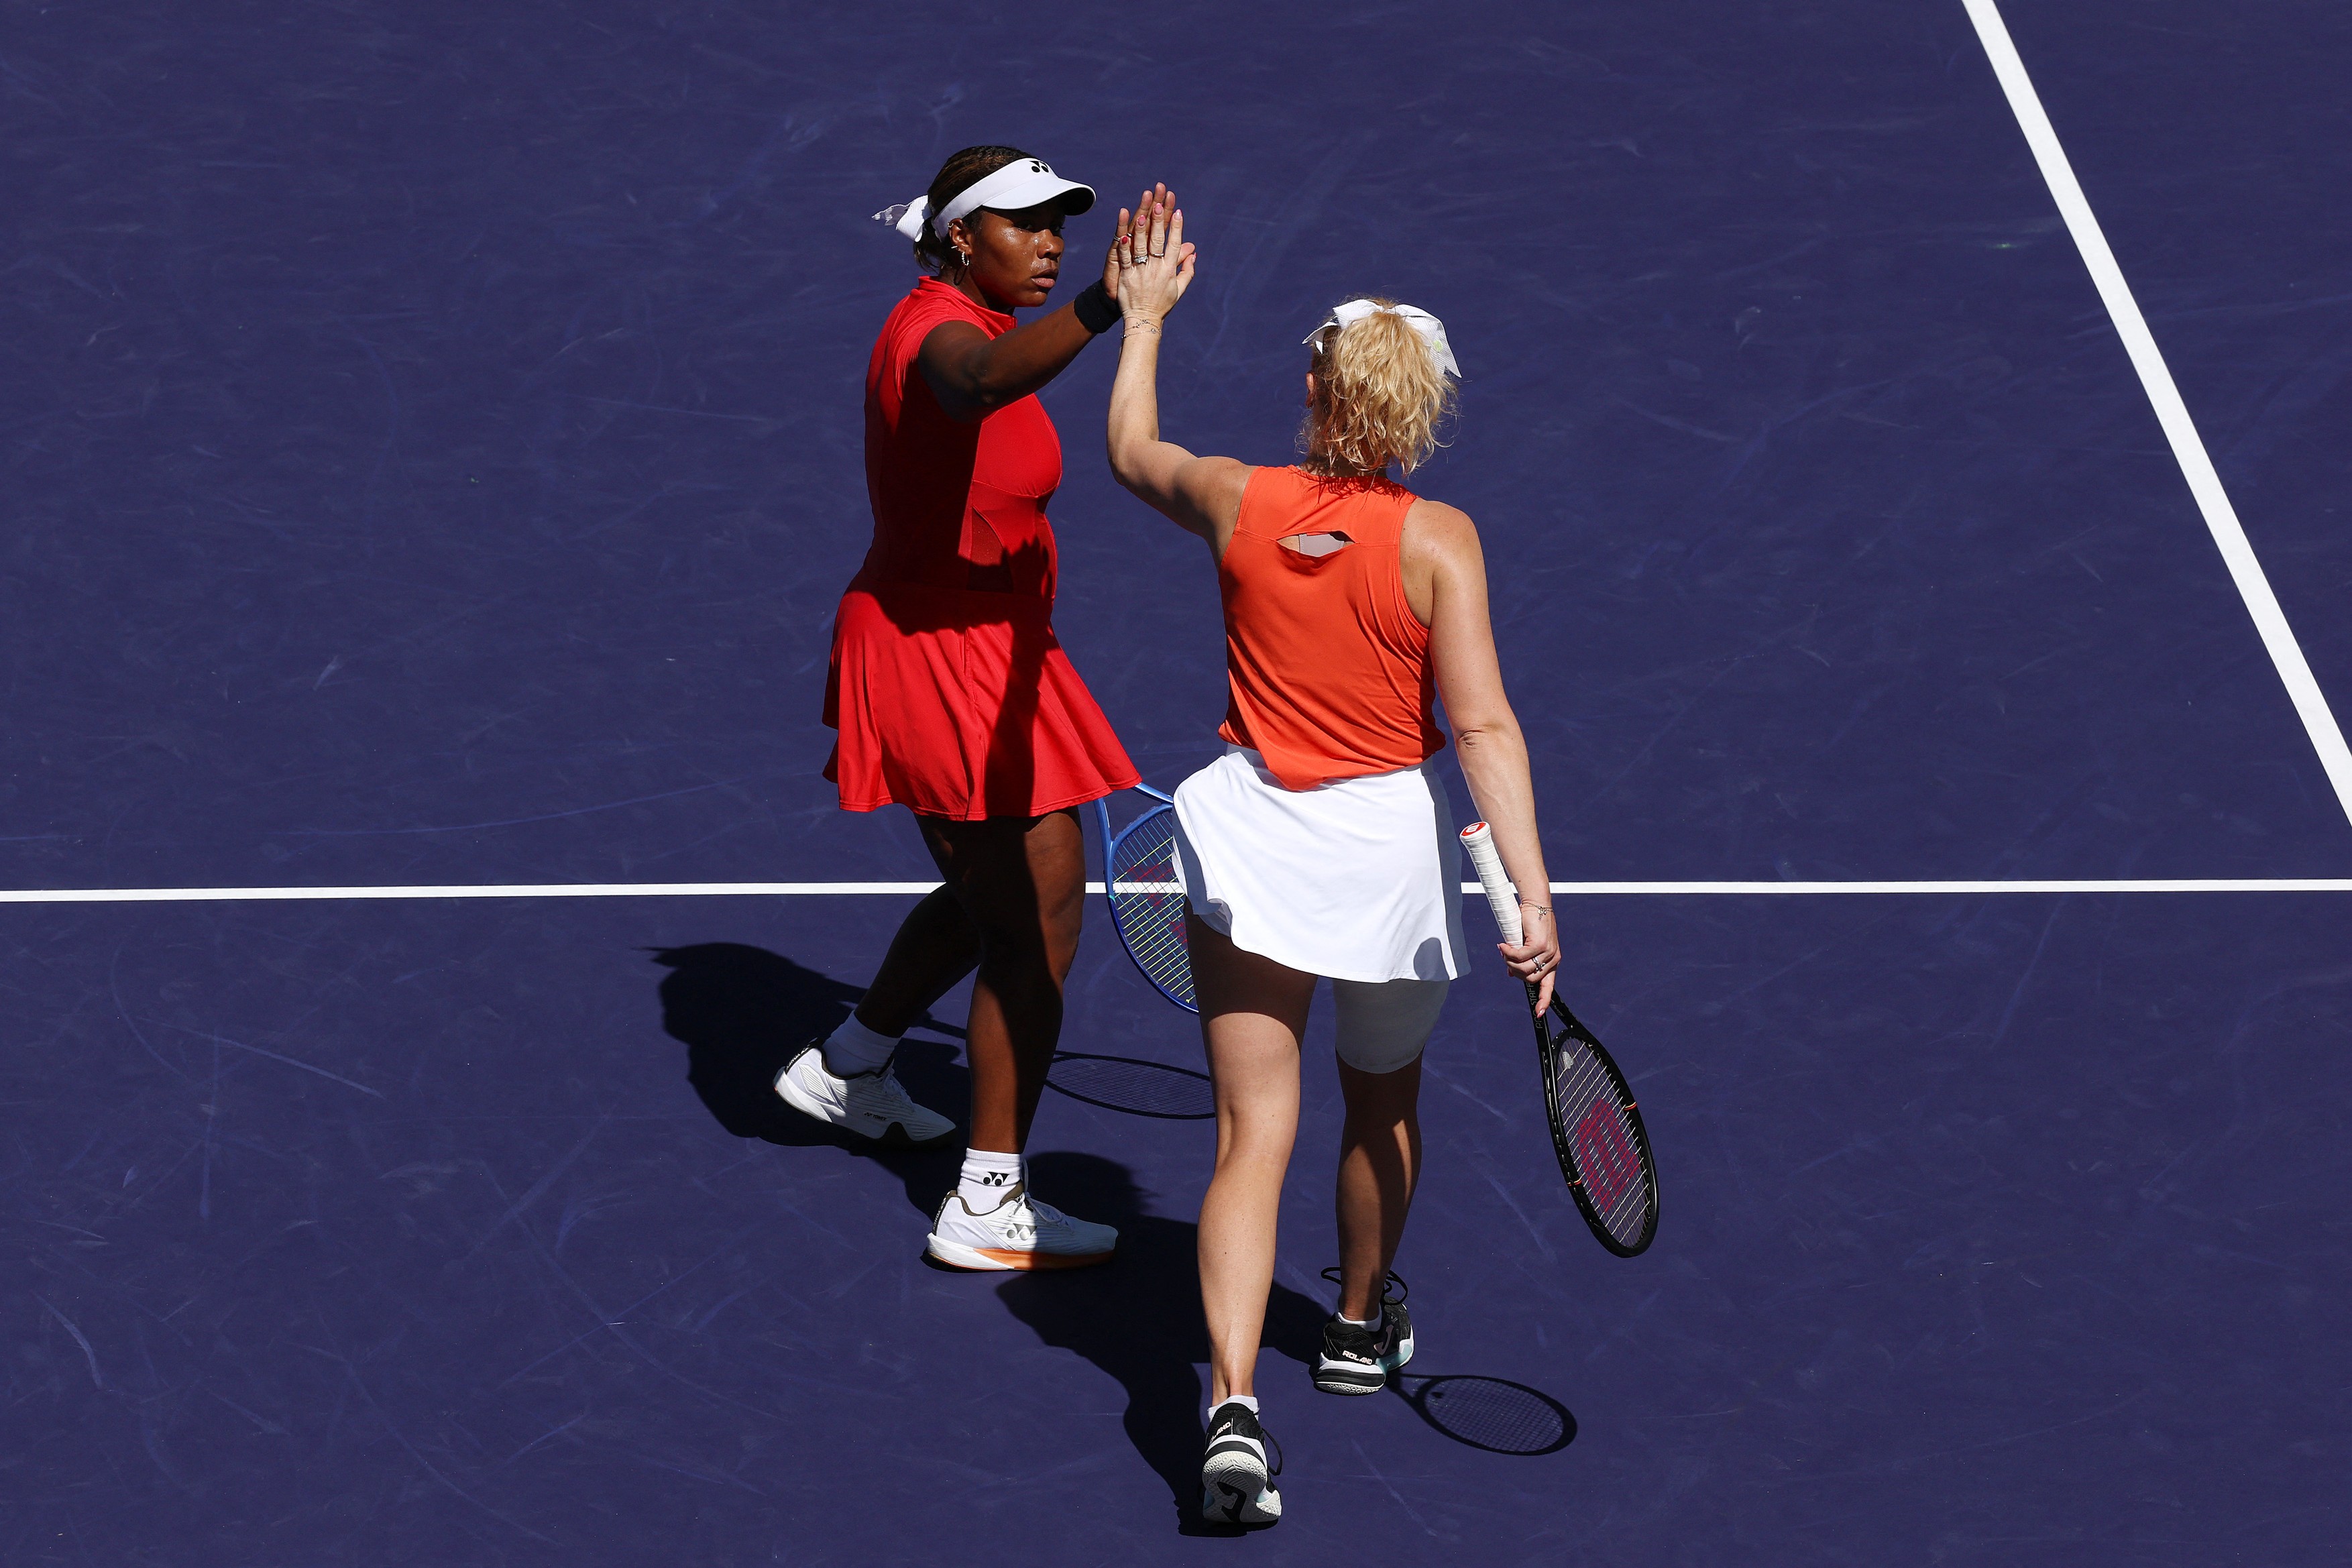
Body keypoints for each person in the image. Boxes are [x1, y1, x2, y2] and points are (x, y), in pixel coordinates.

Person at [1103, 203, 1560, 1525]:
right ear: (1419, 413)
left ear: (1314, 387)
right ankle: (1357, 1325)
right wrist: (1530, 893)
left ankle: (1230, 1400)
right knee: (1380, 1100)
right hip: (1382, 870)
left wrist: (1138, 323)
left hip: (1248, 843)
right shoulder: (1438, 539)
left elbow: (1132, 449)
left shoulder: (1235, 498)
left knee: (1252, 1132)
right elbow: (1477, 724)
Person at [784, 148, 1190, 1272]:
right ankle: (986, 1198)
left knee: (1000, 895)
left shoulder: (969, 313)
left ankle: (851, 1061)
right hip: (936, 654)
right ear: (963, 237)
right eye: (1024, 223)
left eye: (1061, 224)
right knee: (1033, 921)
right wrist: (1111, 305)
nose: (1052, 240)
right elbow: (976, 384)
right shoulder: (933, 334)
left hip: (999, 650)